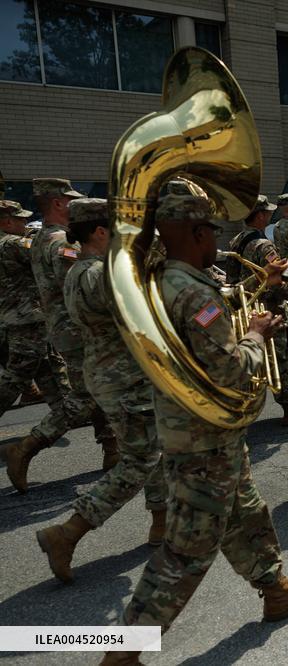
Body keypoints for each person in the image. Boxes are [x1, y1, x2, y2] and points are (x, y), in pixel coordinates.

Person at [105, 180, 288, 666]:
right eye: (209, 230)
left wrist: (253, 296)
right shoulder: (190, 292)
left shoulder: (164, 280)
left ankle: (276, 590)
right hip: (203, 438)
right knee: (187, 553)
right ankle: (121, 654)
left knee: (247, 511)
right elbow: (230, 366)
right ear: (193, 232)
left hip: (202, 430)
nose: (216, 240)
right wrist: (254, 335)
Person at [35, 198, 168, 583]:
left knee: (154, 450)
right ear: (100, 232)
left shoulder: (81, 270)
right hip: (124, 381)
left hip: (115, 375)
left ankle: (160, 523)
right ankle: (68, 532)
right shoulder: (99, 275)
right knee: (138, 462)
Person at [12, 178, 117, 490]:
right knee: (86, 396)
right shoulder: (62, 243)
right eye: (70, 199)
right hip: (77, 329)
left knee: (95, 389)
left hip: (65, 326)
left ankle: (112, 449)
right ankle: (27, 446)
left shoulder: (42, 236)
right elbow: (83, 287)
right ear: (58, 203)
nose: (75, 204)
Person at [0, 200, 74, 492]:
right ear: (6, 221)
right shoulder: (13, 245)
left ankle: (67, 417)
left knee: (58, 387)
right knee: (15, 379)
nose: (22, 224)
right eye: (18, 219)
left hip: (22, 322)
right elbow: (50, 254)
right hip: (26, 324)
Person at [229, 195, 288, 425]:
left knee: (250, 360)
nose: (270, 215)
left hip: (246, 310)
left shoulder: (236, 241)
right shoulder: (264, 245)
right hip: (268, 310)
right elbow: (276, 280)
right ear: (260, 216)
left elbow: (232, 279)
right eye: (267, 212)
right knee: (280, 359)